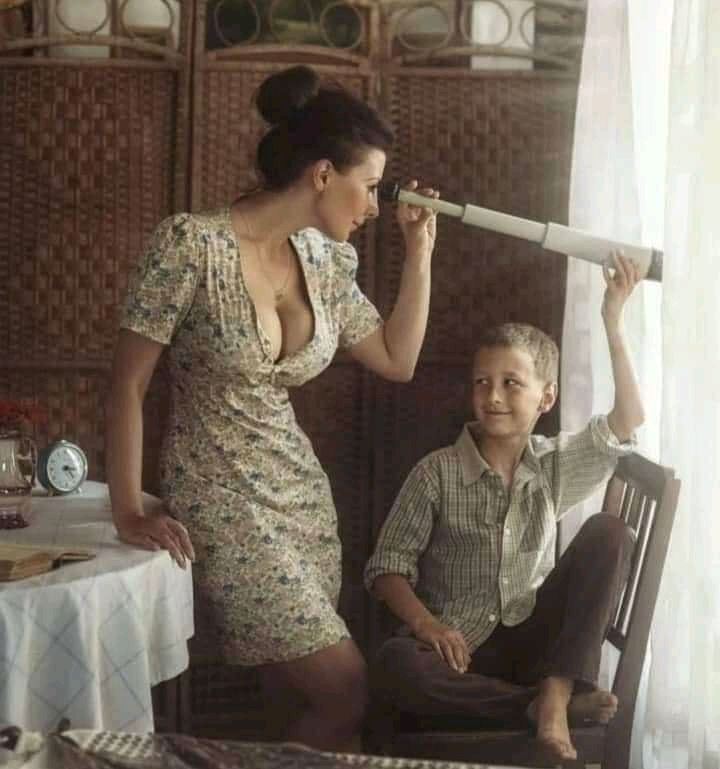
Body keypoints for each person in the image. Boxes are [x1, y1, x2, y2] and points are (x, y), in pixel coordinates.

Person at [105, 65, 438, 752]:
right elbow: (128, 387)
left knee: (292, 706)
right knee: (344, 689)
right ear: (323, 174)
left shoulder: (323, 260)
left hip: (299, 496)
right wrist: (128, 510)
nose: (375, 207)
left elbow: (396, 359)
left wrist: (420, 254)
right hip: (219, 496)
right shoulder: (190, 245)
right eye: (370, 185)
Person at [364, 252, 644, 762]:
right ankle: (539, 708)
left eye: (511, 383)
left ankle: (556, 691)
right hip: (460, 656)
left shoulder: (554, 464)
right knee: (394, 664)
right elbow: (386, 570)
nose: (492, 396)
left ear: (546, 398)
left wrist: (612, 318)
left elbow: (629, 417)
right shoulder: (435, 473)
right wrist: (428, 627)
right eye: (482, 382)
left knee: (611, 532)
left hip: (539, 646)